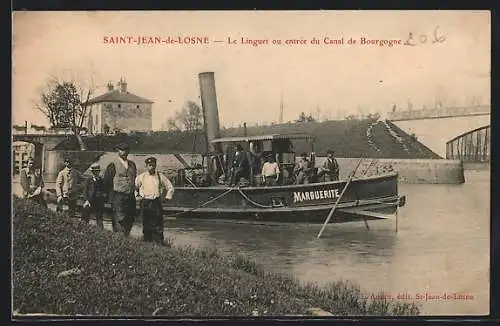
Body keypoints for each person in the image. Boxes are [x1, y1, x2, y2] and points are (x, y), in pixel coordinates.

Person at [135, 157, 174, 245]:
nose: (151, 167)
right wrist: (137, 196)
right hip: (145, 202)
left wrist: (167, 197)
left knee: (158, 224)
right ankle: (147, 243)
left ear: (156, 165)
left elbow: (170, 187)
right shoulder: (141, 177)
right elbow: (134, 187)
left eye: (153, 165)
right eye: (149, 165)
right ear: (146, 166)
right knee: (146, 224)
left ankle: (159, 243)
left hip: (156, 202)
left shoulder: (160, 176)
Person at [103, 142, 137, 237]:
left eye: (126, 150)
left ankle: (126, 238)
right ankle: (119, 240)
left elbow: (134, 178)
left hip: (130, 196)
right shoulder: (112, 164)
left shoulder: (132, 165)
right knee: (119, 219)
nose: (124, 152)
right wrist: (109, 197)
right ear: (118, 151)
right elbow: (107, 181)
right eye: (122, 150)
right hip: (118, 196)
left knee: (130, 218)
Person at [82, 163, 106, 228]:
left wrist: (103, 195)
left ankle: (101, 231)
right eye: (94, 171)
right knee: (85, 216)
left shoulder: (101, 180)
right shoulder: (88, 179)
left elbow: (104, 189)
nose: (95, 172)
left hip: (99, 201)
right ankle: (84, 229)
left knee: (99, 217)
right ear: (92, 172)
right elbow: (85, 190)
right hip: (90, 200)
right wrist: (86, 200)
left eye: (97, 171)